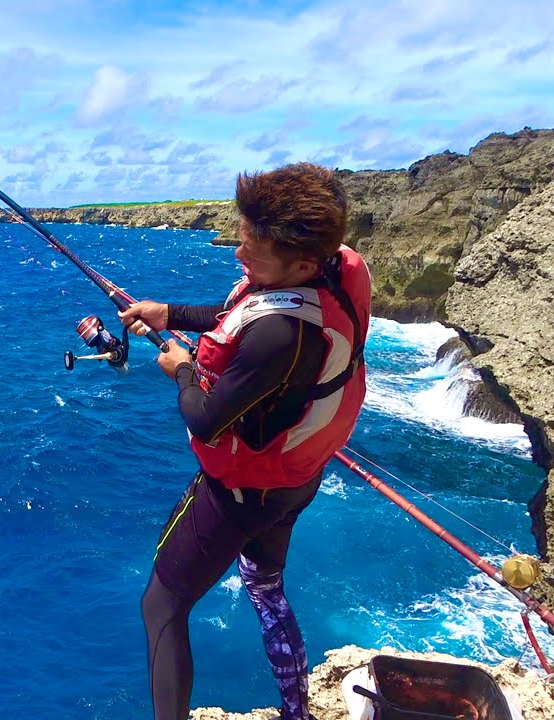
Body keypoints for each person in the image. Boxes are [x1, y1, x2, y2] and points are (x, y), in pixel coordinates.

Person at [117, 163, 371, 720]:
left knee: (161, 606)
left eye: (253, 251)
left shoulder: (281, 335)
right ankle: (296, 711)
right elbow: (242, 311)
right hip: (295, 479)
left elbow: (206, 420)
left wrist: (183, 369)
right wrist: (168, 313)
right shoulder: (329, 273)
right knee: (265, 586)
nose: (238, 254)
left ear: (301, 265)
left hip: (243, 493)